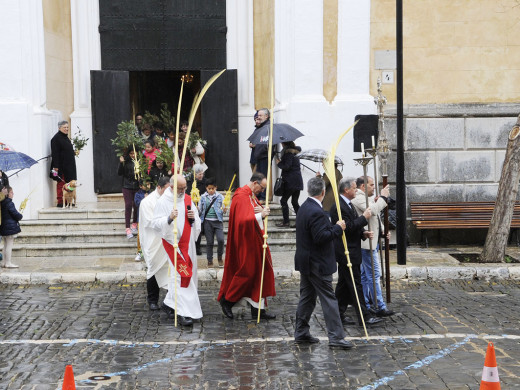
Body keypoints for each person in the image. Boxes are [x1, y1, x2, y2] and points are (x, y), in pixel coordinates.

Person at [293, 177, 352, 349]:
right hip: (317, 263)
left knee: (307, 298)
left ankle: (301, 332)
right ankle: (336, 337)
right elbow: (321, 237)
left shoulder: (304, 207)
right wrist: (337, 228)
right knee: (329, 300)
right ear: (323, 192)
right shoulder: (316, 211)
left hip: (306, 262)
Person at [218, 172, 276, 320]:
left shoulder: (251, 196)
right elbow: (242, 220)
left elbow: (254, 213)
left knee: (260, 273)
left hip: (256, 240)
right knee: (247, 273)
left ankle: (258, 310)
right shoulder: (242, 196)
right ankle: (228, 301)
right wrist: (261, 215)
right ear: (255, 183)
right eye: (262, 188)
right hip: (246, 242)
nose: (262, 191)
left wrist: (262, 212)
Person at [329, 177, 382, 327]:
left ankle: (338, 314)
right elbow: (347, 228)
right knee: (355, 284)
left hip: (352, 249)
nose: (356, 190)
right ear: (346, 190)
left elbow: (352, 228)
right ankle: (364, 317)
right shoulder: (339, 207)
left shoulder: (348, 204)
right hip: (347, 252)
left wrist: (362, 233)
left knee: (344, 285)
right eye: (354, 188)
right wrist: (364, 218)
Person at [152, 174, 202, 327]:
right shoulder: (162, 202)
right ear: (172, 187)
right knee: (180, 276)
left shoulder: (187, 199)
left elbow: (196, 221)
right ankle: (183, 312)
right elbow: (155, 223)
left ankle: (169, 303)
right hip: (173, 244)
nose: (183, 190)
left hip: (188, 243)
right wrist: (169, 218)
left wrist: (194, 217)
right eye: (180, 188)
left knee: (190, 274)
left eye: (184, 187)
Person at [351, 176, 394, 317]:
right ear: (362, 186)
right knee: (374, 274)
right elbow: (373, 211)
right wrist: (383, 197)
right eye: (371, 185)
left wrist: (382, 231)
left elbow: (375, 218)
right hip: (366, 243)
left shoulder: (366, 197)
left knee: (365, 275)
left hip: (372, 241)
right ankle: (379, 305)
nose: (373, 187)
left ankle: (367, 302)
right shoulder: (358, 198)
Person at [138, 176, 171, 311]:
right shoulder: (147, 202)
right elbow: (150, 222)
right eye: (167, 189)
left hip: (167, 239)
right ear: (159, 187)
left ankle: (170, 301)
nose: (170, 192)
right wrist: (168, 220)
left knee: (169, 270)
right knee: (153, 269)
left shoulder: (169, 200)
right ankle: (152, 299)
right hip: (153, 241)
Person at [198, 177, 225, 268]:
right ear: (206, 188)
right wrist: (197, 209)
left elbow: (223, 209)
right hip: (207, 222)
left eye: (212, 188)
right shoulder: (202, 197)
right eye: (209, 189)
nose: (211, 190)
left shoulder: (220, 196)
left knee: (221, 240)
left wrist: (224, 210)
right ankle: (210, 260)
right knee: (209, 242)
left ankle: (220, 257)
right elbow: (200, 211)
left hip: (218, 221)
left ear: (216, 188)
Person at [275, 141, 303, 228]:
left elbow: (287, 166)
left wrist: (279, 163)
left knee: (283, 201)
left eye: (282, 143)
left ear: (285, 144)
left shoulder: (288, 154)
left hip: (290, 182)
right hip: (297, 182)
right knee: (294, 202)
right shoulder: (295, 154)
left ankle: (286, 222)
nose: (281, 145)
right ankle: (301, 222)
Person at [250, 108, 275, 203]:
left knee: (263, 177)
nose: (258, 117)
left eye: (260, 115)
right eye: (258, 116)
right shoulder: (261, 126)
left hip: (264, 155)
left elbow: (267, 142)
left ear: (266, 116)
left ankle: (263, 197)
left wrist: (260, 147)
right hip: (259, 155)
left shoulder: (268, 127)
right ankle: (258, 195)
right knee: (259, 177)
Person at [50, 120, 77, 208]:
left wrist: (74, 152)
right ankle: (61, 201)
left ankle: (68, 201)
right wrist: (56, 167)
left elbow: (66, 150)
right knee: (62, 183)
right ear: (59, 128)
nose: (66, 129)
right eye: (64, 127)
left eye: (67, 127)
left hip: (69, 165)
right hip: (61, 166)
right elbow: (55, 153)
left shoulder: (66, 138)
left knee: (69, 183)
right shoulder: (55, 139)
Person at [118, 149, 139, 239]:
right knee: (128, 205)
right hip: (126, 185)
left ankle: (134, 223)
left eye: (134, 153)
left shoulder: (140, 161)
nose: (133, 155)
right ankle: (127, 228)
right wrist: (121, 163)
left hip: (137, 186)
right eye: (131, 153)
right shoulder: (126, 161)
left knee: (136, 204)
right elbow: (119, 173)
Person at [187, 164, 207, 256]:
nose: (201, 176)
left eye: (202, 174)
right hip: (191, 207)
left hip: (201, 208)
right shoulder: (189, 183)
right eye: (199, 174)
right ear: (194, 174)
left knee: (198, 228)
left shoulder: (205, 182)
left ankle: (197, 247)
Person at [0, 186, 22, 268]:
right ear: (7, 194)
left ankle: (4, 262)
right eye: (11, 192)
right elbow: (15, 214)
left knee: (5, 245)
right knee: (9, 245)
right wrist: (20, 216)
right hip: (9, 227)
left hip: (4, 227)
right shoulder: (9, 203)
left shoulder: (2, 202)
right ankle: (8, 263)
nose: (13, 194)